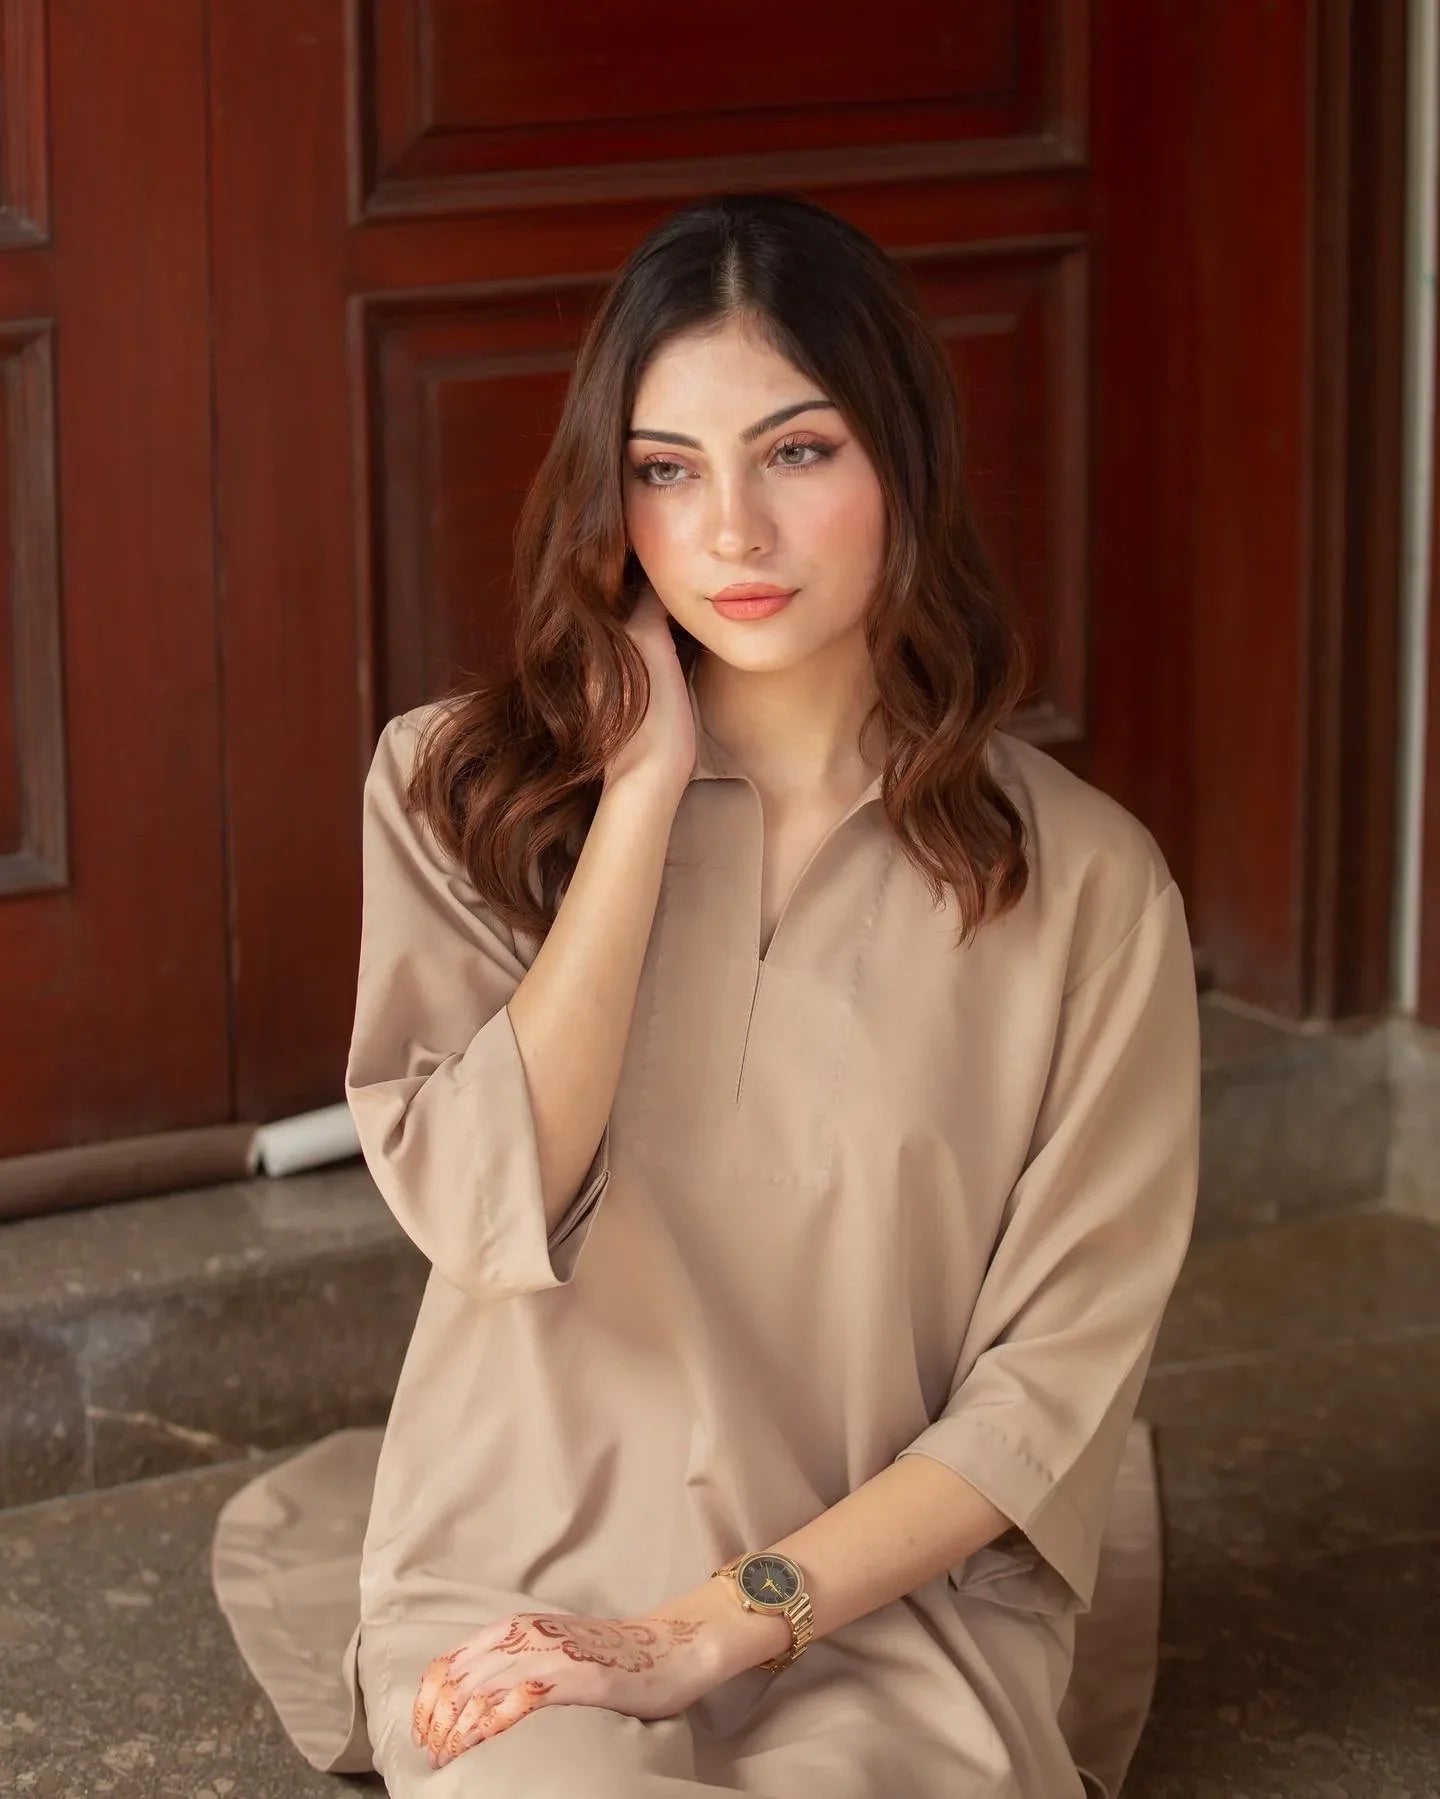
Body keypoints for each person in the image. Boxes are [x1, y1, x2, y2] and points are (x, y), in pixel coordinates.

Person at [210, 190, 1200, 1798]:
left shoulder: (1088, 888)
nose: (730, 532)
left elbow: (1049, 1389)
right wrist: (642, 796)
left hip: (892, 1608)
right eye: (668, 470)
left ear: (906, 465)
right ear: (613, 502)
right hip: (538, 1563)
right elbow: (482, 1206)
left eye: (797, 453)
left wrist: (718, 1629)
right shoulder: (459, 788)